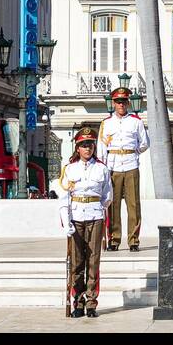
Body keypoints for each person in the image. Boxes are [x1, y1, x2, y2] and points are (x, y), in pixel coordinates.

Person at [58, 127, 113, 318]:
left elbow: (108, 197)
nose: (87, 148)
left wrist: (96, 207)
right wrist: (66, 223)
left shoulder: (102, 168)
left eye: (90, 145)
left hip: (95, 216)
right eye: (83, 145)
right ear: (77, 147)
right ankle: (78, 302)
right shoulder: (69, 169)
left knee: (93, 261)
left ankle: (91, 303)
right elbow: (64, 199)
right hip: (76, 217)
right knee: (76, 263)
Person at [99, 85, 150, 252]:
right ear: (113, 103)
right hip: (112, 165)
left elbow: (144, 143)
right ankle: (114, 239)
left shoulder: (136, 122)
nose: (121, 105)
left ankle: (133, 240)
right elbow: (101, 146)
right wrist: (103, 166)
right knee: (113, 205)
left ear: (128, 103)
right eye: (118, 102)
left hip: (130, 164)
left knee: (133, 204)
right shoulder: (106, 123)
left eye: (123, 102)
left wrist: (133, 151)